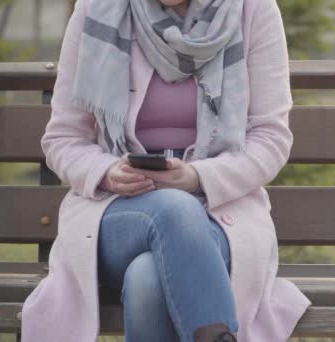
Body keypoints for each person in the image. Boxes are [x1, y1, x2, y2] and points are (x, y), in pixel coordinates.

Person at [21, 0, 313, 341]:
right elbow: (63, 138)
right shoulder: (96, 8)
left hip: (218, 212)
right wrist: (106, 172)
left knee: (148, 279)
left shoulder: (253, 10)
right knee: (175, 209)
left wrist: (197, 178)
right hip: (116, 211)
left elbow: (271, 139)